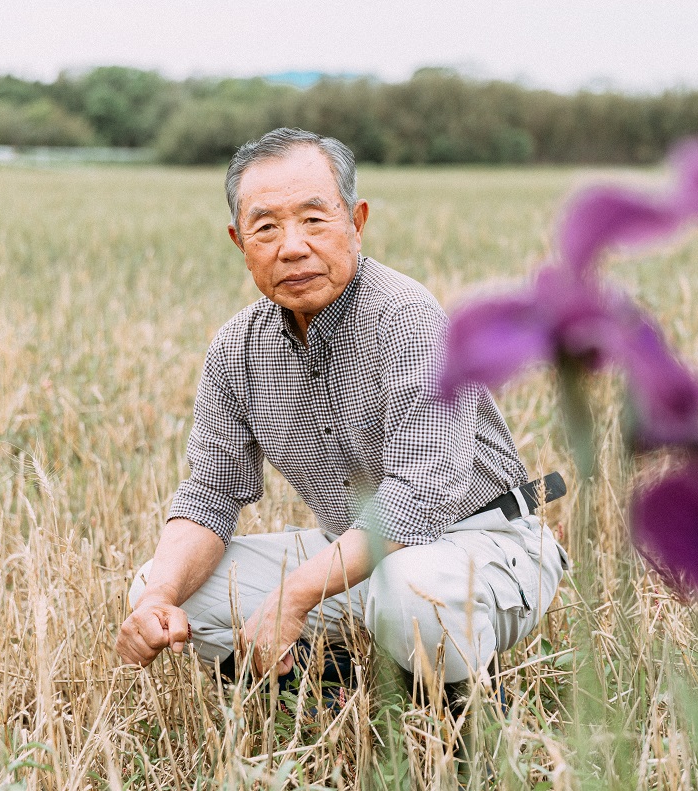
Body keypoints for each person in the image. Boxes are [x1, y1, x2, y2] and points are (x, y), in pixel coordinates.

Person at [115, 128, 568, 695]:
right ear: (238, 241)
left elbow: (417, 499)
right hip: (357, 562)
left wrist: (296, 595)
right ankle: (348, 692)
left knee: (409, 590)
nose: (292, 246)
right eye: (266, 227)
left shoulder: (407, 318)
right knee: (161, 589)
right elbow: (211, 494)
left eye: (314, 219)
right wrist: (159, 599)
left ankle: (462, 701)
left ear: (356, 221)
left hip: (479, 547)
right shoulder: (236, 350)